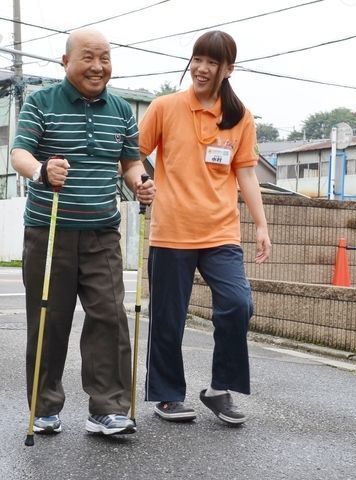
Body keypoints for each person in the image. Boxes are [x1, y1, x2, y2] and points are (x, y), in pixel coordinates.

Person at [11, 28, 154, 436]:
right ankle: (44, 407)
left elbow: (130, 163)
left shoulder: (123, 110)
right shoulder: (41, 102)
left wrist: (140, 181)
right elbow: (20, 152)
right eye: (88, 57)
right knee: (49, 318)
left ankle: (108, 408)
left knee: (109, 316)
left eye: (105, 57)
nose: (98, 66)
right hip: (49, 229)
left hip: (102, 231)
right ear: (66, 61)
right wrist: (41, 169)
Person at [138, 30, 271, 425]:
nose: (201, 68)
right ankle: (166, 395)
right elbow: (134, 154)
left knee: (237, 304)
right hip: (171, 231)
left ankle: (219, 389)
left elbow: (246, 174)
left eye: (212, 62)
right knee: (168, 317)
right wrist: (140, 184)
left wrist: (261, 225)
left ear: (228, 69)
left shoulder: (240, 117)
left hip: (221, 232)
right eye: (198, 59)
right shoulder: (164, 107)